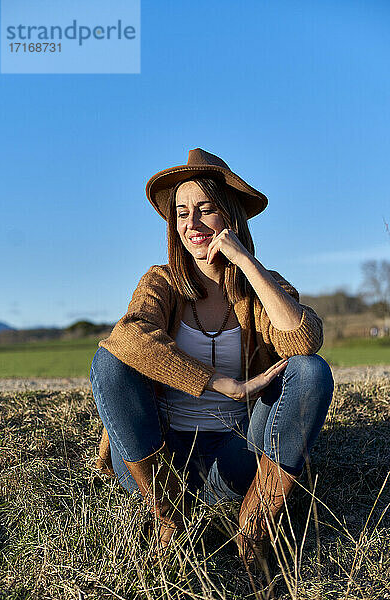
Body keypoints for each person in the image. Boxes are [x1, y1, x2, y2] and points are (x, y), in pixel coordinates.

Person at [90, 148, 334, 571]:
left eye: (205, 210)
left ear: (231, 218)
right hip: (159, 461)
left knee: (311, 372)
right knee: (108, 362)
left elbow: (303, 340)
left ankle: (255, 524)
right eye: (182, 213)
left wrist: (244, 262)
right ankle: (170, 520)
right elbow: (128, 338)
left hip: (233, 454)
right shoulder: (161, 281)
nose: (192, 224)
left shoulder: (264, 287)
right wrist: (224, 383)